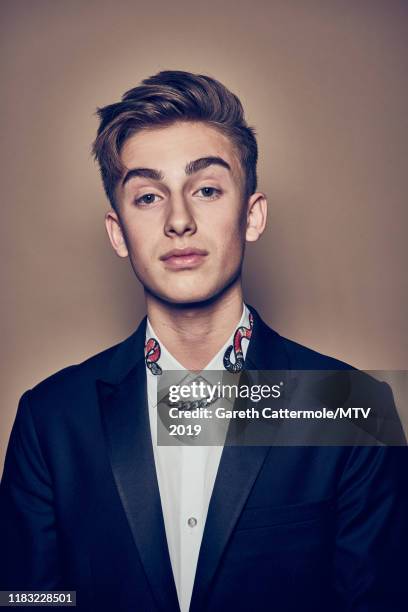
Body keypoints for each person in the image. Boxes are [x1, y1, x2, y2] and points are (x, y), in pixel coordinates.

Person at [0, 70, 407, 612]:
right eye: (147, 196)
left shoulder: (351, 406)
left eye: (208, 189)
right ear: (119, 232)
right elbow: (28, 599)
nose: (179, 220)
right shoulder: (50, 418)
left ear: (252, 215)